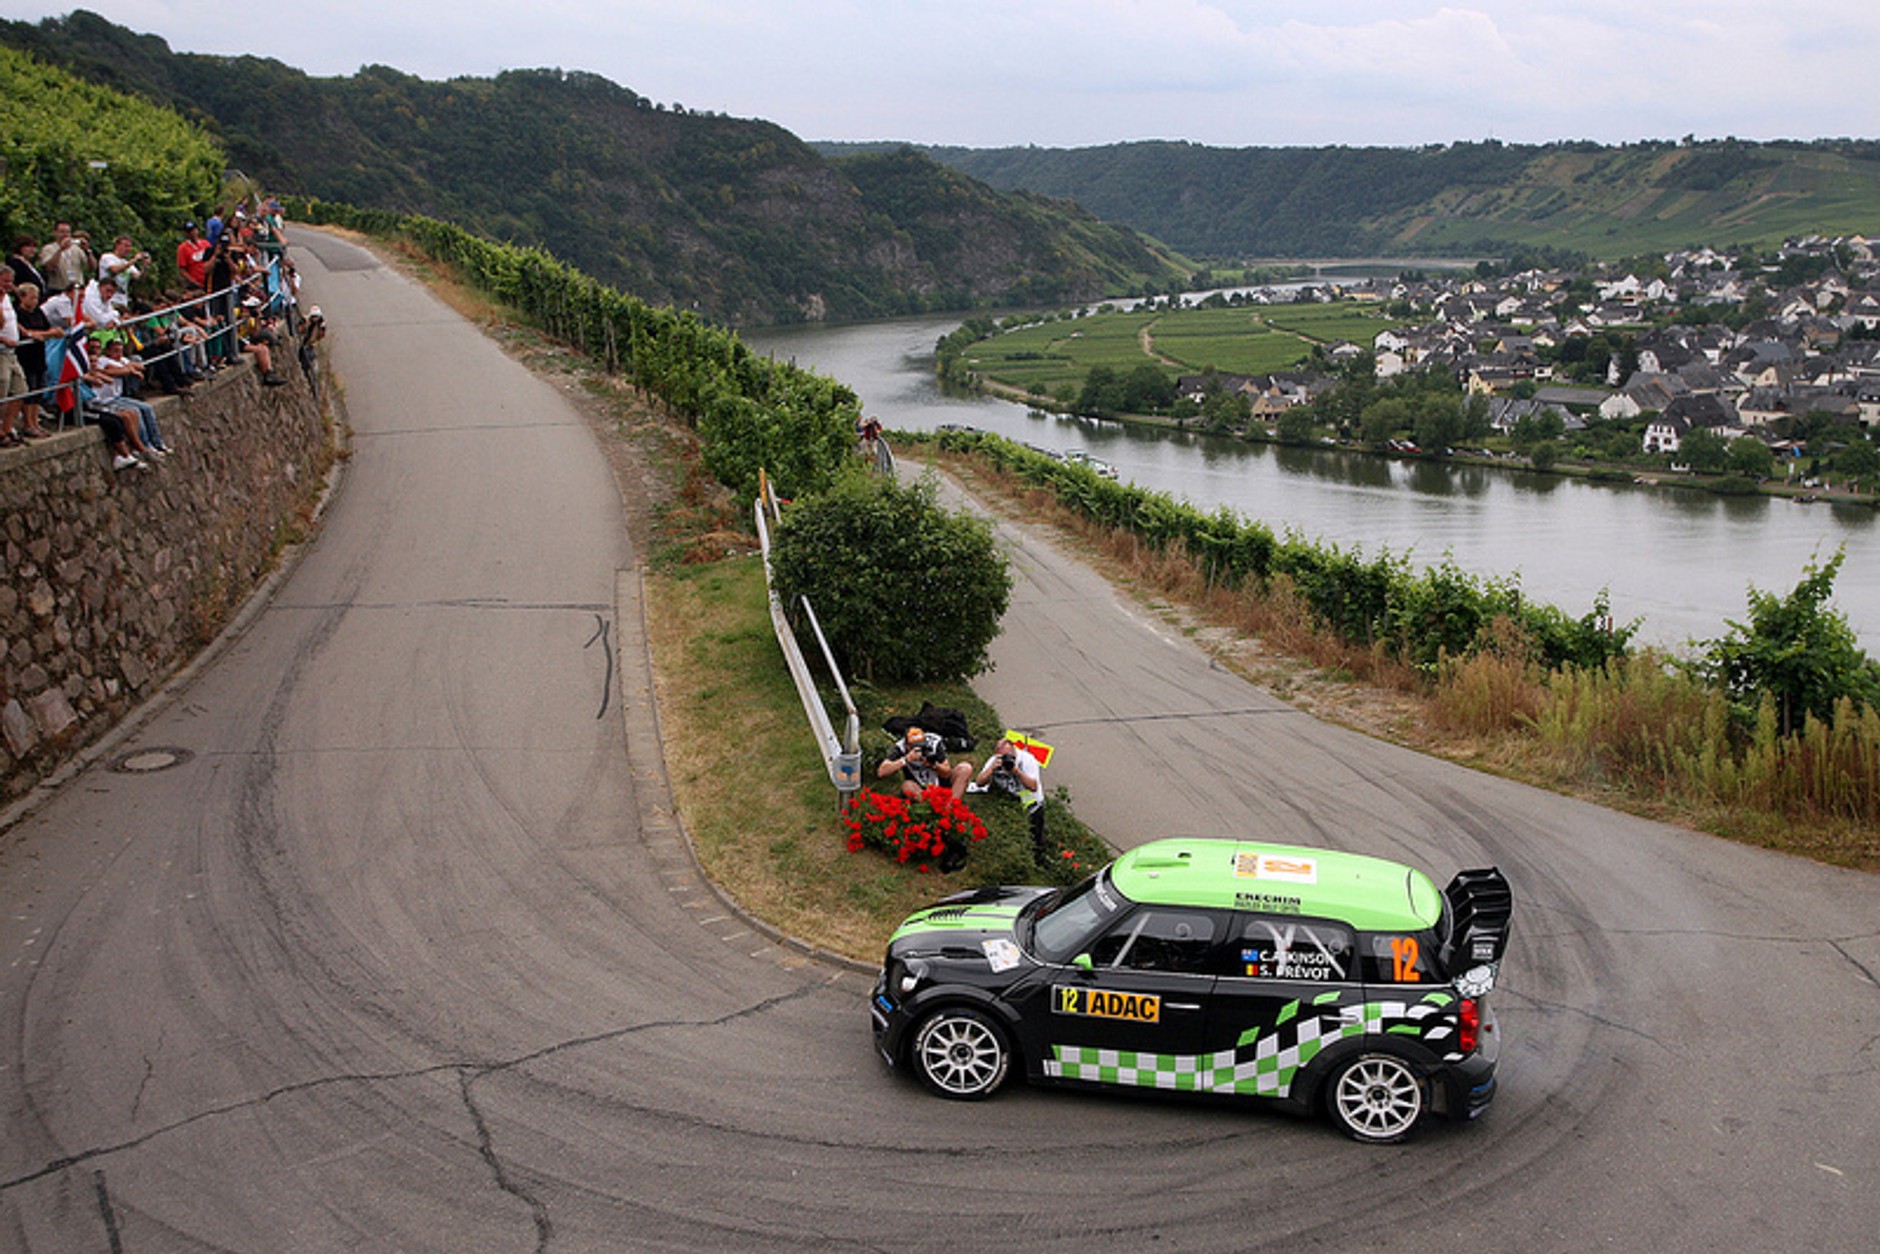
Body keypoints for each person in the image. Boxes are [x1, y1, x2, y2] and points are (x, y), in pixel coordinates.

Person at [971, 737, 1049, 863]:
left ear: (1014, 751)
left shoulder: (1027, 760)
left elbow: (1033, 786)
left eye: (1009, 756)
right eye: (1002, 757)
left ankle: (1039, 857)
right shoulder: (994, 761)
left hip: (1030, 800)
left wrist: (1017, 772)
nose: (1005, 760)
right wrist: (991, 769)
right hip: (1009, 799)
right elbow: (979, 782)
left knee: (1035, 834)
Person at [877, 725, 973, 802]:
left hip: (941, 783)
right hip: (918, 787)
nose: (920, 750)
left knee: (965, 768)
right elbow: (881, 772)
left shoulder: (934, 743)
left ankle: (952, 805)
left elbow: (947, 772)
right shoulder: (900, 748)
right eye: (915, 747)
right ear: (907, 746)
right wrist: (905, 760)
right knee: (907, 786)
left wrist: (934, 765)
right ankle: (930, 806)